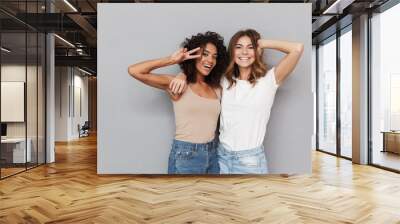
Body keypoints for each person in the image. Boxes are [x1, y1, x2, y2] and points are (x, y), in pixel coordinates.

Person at [170, 29, 303, 174]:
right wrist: (182, 74)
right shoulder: (223, 80)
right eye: (238, 47)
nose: (244, 52)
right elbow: (199, 74)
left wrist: (262, 43)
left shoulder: (269, 80)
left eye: (250, 47)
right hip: (220, 157)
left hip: (250, 161)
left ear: (258, 51)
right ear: (232, 52)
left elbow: (297, 49)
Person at [128, 31, 228, 174]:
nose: (210, 60)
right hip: (186, 155)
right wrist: (171, 60)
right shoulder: (177, 84)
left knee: (210, 196)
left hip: (213, 154)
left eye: (214, 56)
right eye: (205, 54)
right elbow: (134, 71)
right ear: (193, 56)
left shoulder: (217, 88)